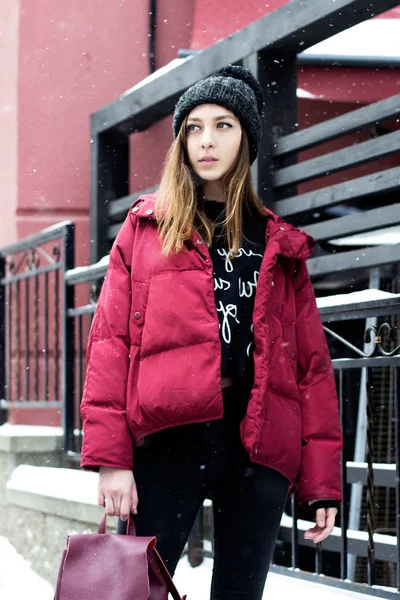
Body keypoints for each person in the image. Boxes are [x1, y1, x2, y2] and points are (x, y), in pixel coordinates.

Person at [80, 65, 342, 600]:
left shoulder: (278, 243)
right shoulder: (148, 227)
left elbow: (310, 369)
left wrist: (321, 484)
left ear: (245, 138)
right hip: (166, 441)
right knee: (134, 592)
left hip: (257, 443)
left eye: (223, 125)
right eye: (194, 127)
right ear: (180, 142)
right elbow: (110, 344)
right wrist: (112, 459)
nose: (206, 140)